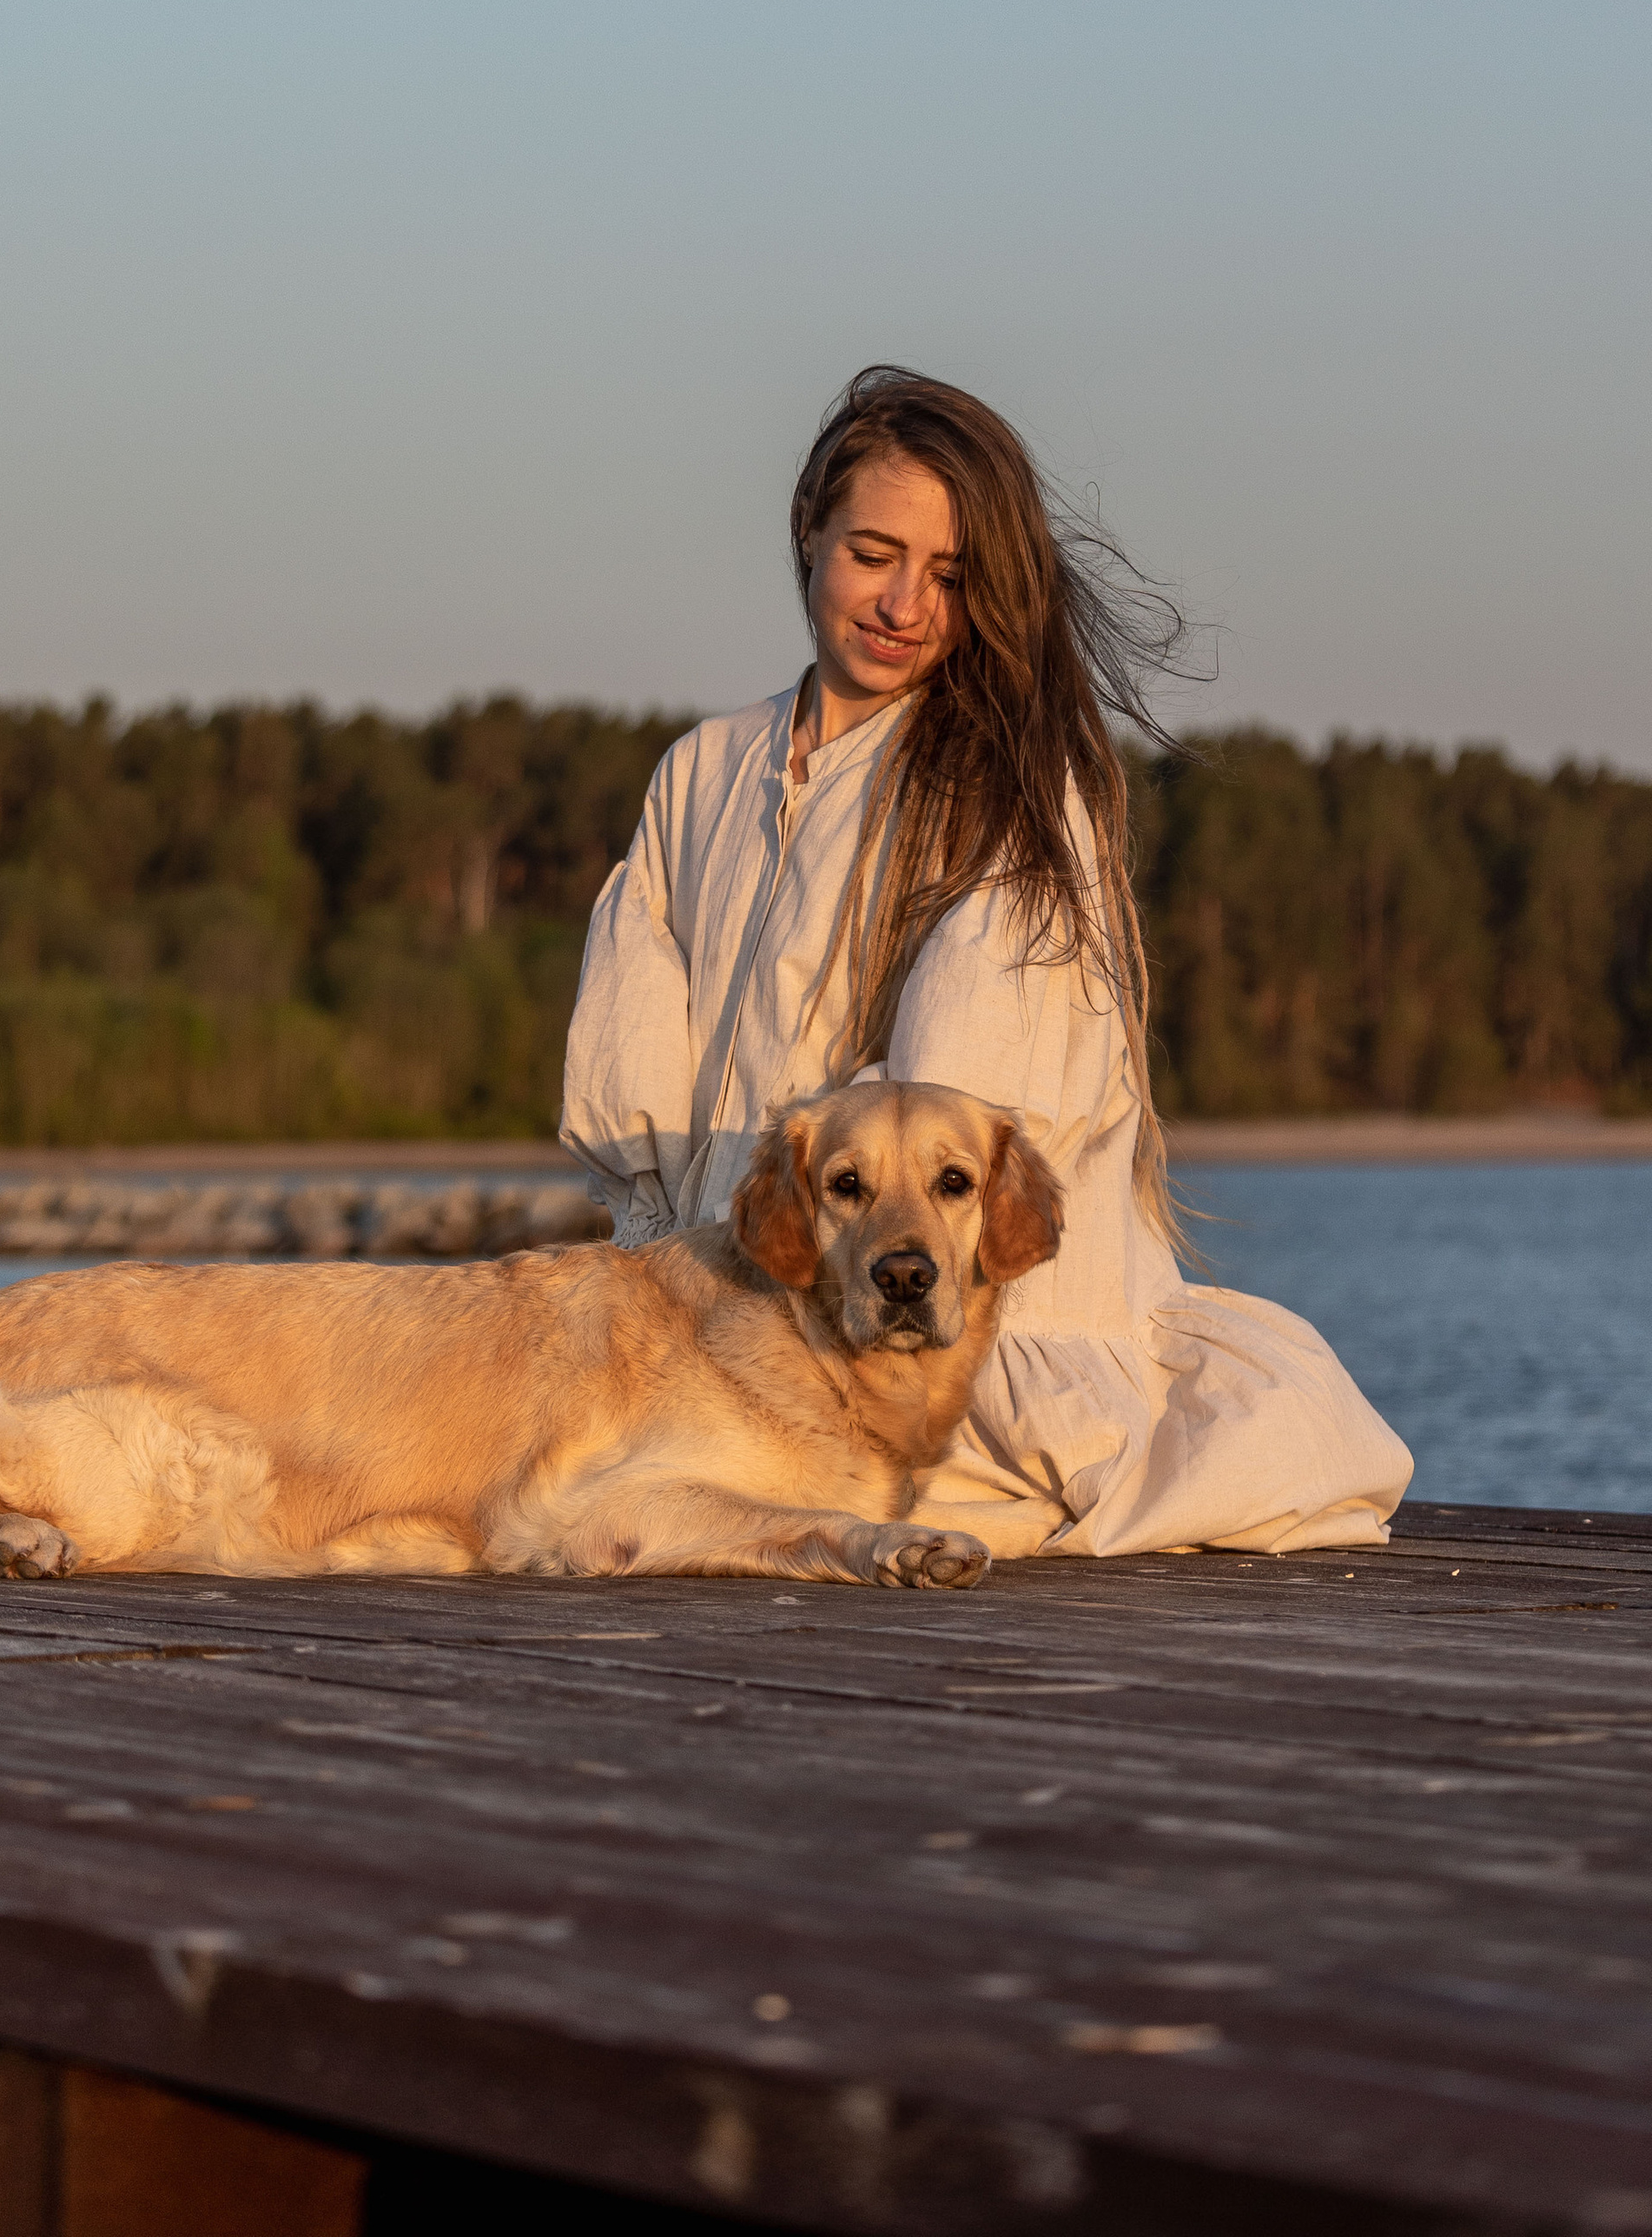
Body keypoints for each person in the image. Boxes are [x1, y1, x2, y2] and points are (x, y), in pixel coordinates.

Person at [558, 367, 1409, 1558]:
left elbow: (960, 1132)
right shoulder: (701, 771)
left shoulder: (1017, 791)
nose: (905, 603)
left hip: (950, 1344)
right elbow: (634, 1082)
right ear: (809, 533)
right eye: (873, 554)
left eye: (952, 577)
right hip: (735, 1320)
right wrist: (680, 1302)